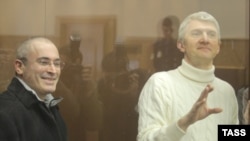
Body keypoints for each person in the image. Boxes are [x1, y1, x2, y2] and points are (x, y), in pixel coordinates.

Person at [137, 11, 239, 141]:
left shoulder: (227, 91)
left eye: (211, 34)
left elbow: (228, 136)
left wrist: (246, 125)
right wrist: (183, 124)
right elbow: (145, 139)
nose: (205, 39)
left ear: (218, 47)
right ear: (181, 45)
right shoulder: (160, 84)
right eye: (196, 33)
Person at [0, 37, 67, 141]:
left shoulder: (49, 105)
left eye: (57, 64)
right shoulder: (5, 113)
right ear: (19, 67)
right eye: (44, 62)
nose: (53, 70)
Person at [54, 35, 102, 141]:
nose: (68, 68)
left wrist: (90, 93)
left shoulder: (84, 85)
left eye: (74, 65)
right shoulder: (52, 83)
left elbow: (94, 123)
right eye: (62, 64)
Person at [97, 46, 150, 141]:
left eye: (116, 76)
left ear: (125, 71)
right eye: (108, 76)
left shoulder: (134, 82)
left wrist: (134, 95)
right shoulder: (102, 86)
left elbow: (143, 117)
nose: (114, 81)